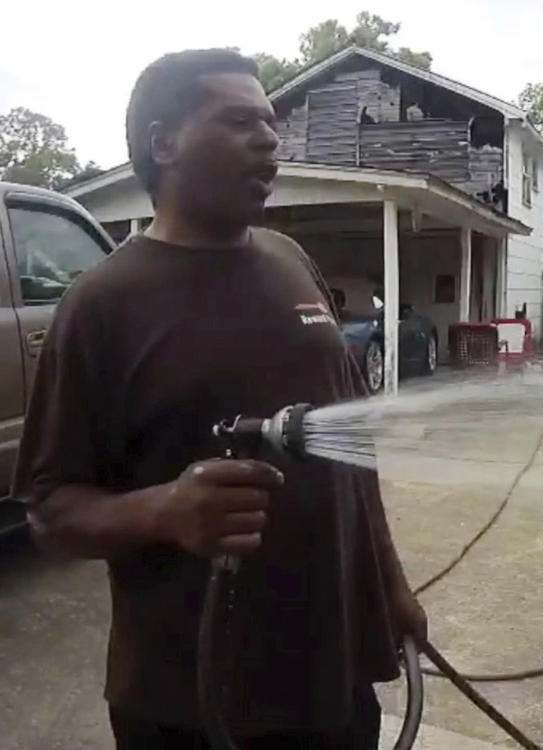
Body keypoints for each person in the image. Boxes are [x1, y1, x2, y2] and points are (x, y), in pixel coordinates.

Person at [12, 49, 426, 750]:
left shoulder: (292, 263)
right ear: (163, 143)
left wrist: (391, 585)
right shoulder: (102, 306)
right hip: (188, 701)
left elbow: (352, 452)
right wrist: (164, 510)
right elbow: (51, 511)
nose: (269, 139)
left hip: (331, 682)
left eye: (270, 122)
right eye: (238, 121)